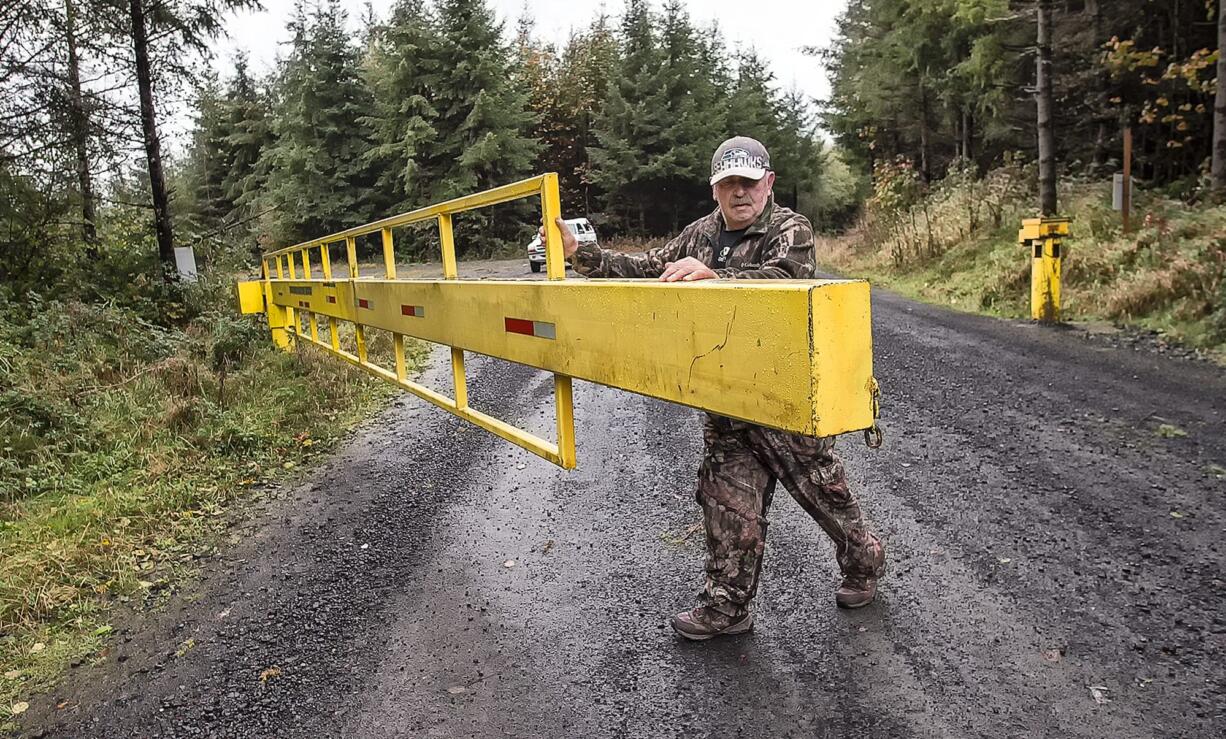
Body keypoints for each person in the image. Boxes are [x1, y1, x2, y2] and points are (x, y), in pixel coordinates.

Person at [544, 136, 886, 640]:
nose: (739, 192)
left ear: (768, 183)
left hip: (781, 398)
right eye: (728, 183)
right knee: (728, 508)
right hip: (726, 400)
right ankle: (727, 606)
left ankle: (864, 561)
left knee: (823, 495)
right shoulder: (699, 233)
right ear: (714, 189)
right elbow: (646, 268)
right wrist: (583, 254)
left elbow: (784, 277)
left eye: (748, 182)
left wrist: (715, 275)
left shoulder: (790, 228)